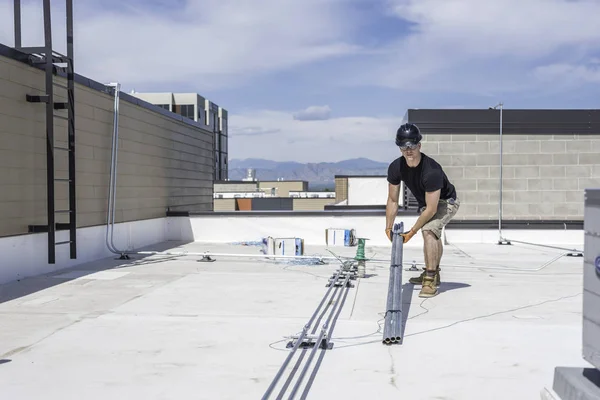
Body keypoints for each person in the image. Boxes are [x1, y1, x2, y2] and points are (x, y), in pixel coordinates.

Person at [385, 123, 460, 298]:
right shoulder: (396, 167)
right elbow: (393, 200)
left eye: (412, 145)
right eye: (403, 146)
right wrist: (388, 227)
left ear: (419, 145)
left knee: (428, 231)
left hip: (446, 202)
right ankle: (433, 272)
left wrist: (411, 232)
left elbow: (432, 209)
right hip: (429, 204)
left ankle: (430, 279)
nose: (408, 150)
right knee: (431, 232)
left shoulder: (431, 170)